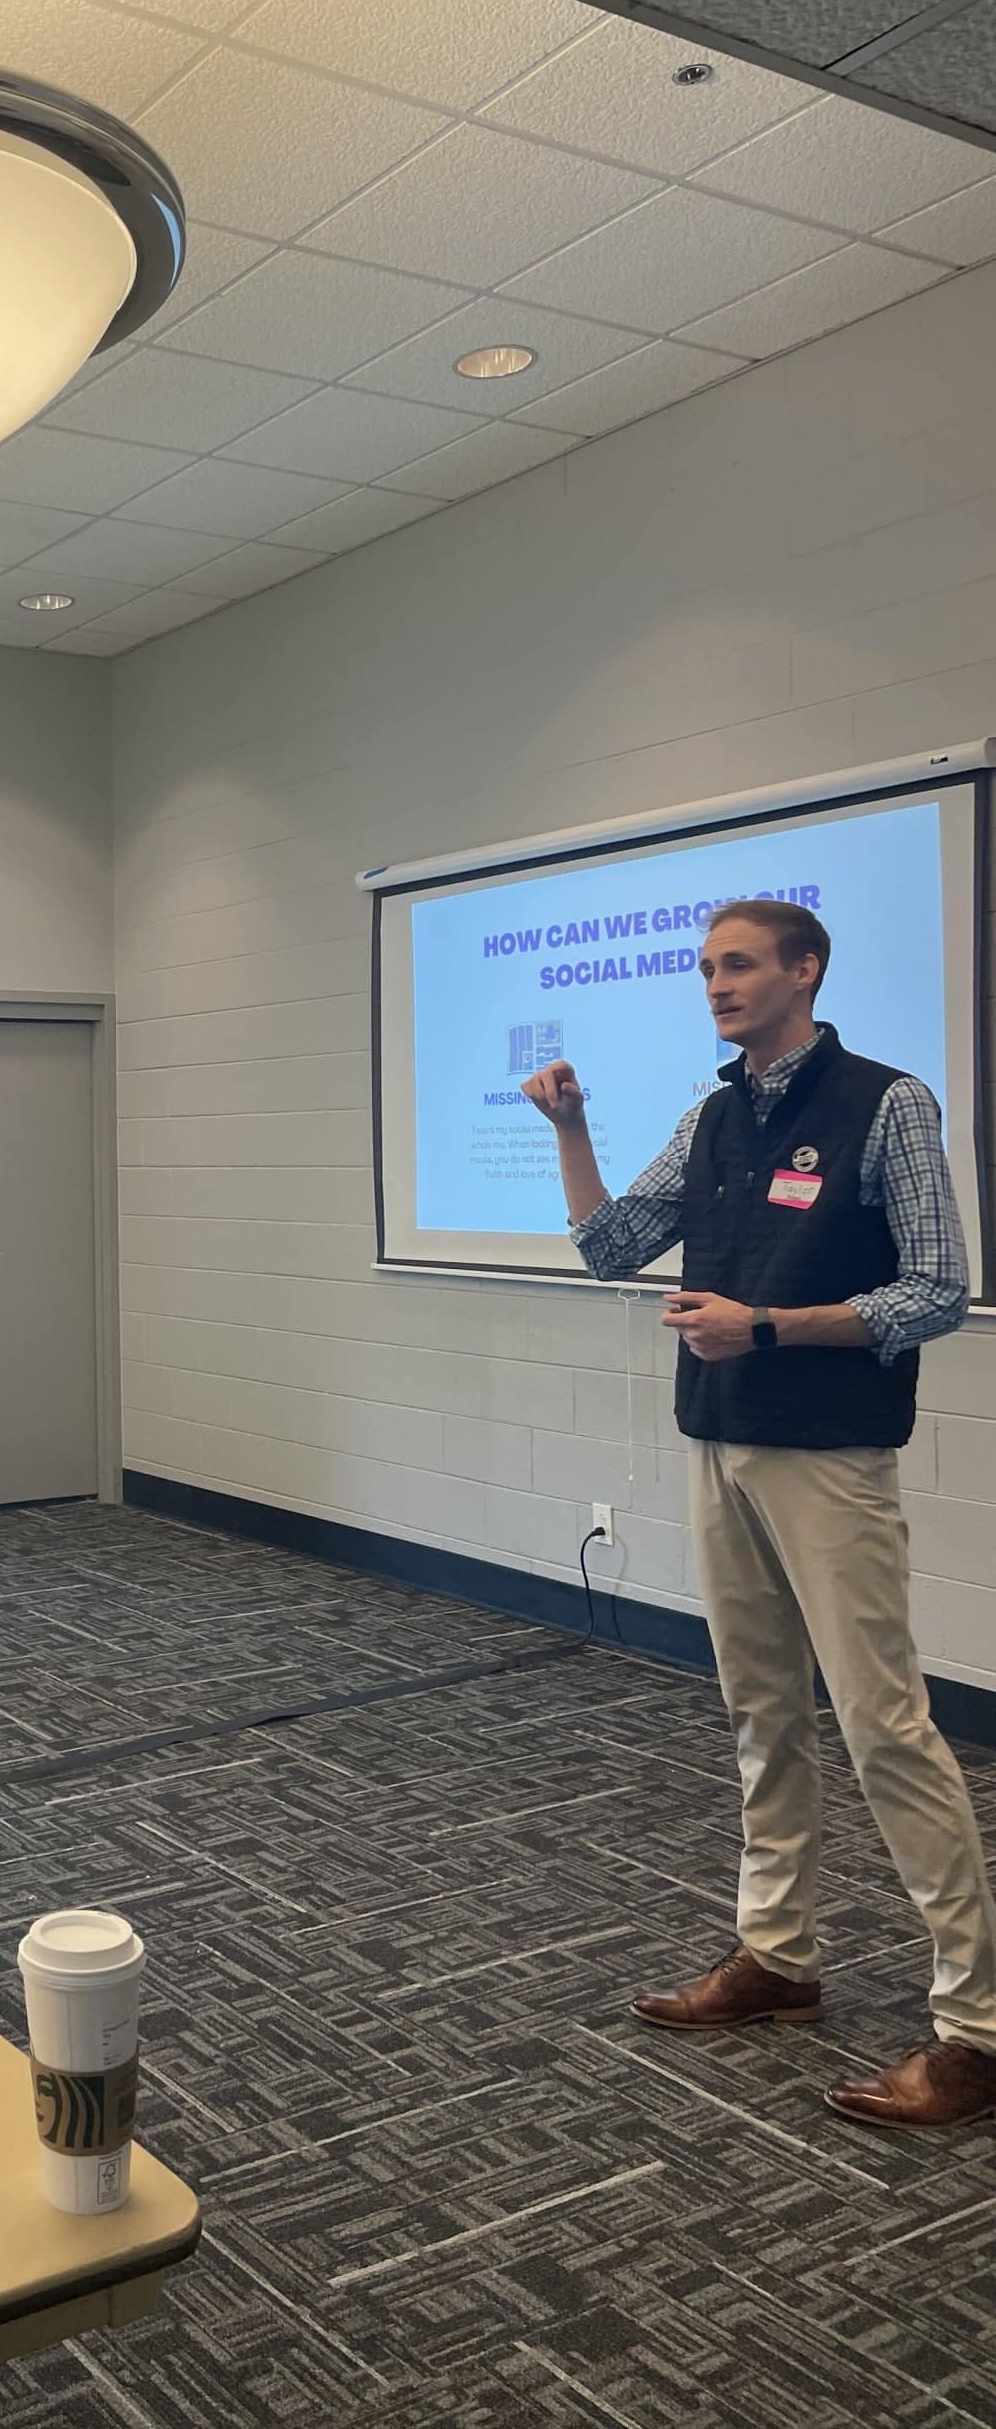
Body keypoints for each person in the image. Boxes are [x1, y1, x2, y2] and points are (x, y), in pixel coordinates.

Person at [524, 898, 996, 2130]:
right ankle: (777, 1958)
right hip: (718, 1441)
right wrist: (572, 1129)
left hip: (829, 1452)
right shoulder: (715, 1112)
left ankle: (978, 2027)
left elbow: (940, 1290)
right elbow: (613, 1245)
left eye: (738, 965)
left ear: (805, 969)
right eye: (705, 968)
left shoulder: (888, 1103)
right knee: (759, 1713)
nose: (717, 985)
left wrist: (772, 1326)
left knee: (885, 1726)